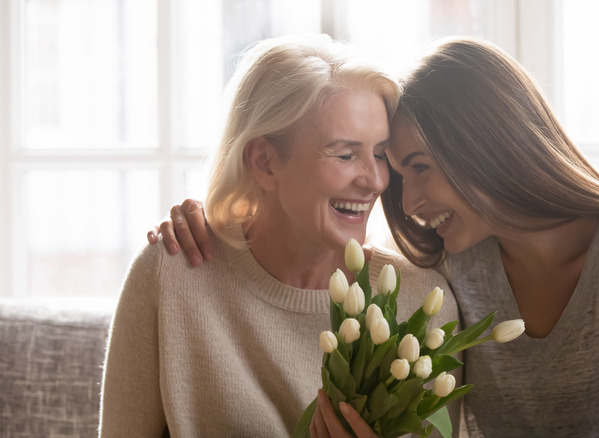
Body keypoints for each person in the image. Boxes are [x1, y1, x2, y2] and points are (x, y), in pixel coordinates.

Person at [154, 37, 599, 437]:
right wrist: (221, 221)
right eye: (398, 174)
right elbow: (322, 224)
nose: (405, 201)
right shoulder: (454, 273)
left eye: (420, 168)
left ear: (484, 145)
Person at [100, 34, 460, 437]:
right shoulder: (171, 275)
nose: (376, 180)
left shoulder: (423, 305)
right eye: (345, 154)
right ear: (265, 162)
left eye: (380, 153)